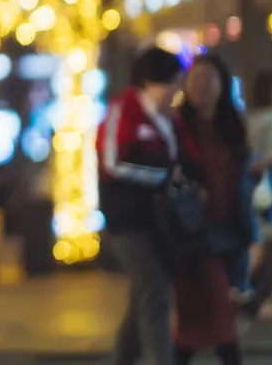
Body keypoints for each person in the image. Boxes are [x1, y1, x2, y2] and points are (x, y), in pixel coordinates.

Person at [171, 54, 262, 365]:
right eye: (195, 79)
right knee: (216, 310)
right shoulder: (176, 126)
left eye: (209, 79)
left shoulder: (232, 125)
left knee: (196, 317)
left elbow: (239, 172)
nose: (201, 86)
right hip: (191, 234)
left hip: (228, 232)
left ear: (223, 85)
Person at [97, 45, 183, 365]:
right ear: (151, 81)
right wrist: (162, 177)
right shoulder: (124, 110)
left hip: (157, 220)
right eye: (172, 82)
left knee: (144, 297)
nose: (176, 90)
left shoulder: (165, 117)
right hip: (127, 221)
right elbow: (112, 163)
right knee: (155, 293)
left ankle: (125, 359)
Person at [245, 70, 272, 319]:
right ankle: (253, 298)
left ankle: (249, 296)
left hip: (254, 191)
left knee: (264, 245)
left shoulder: (252, 117)